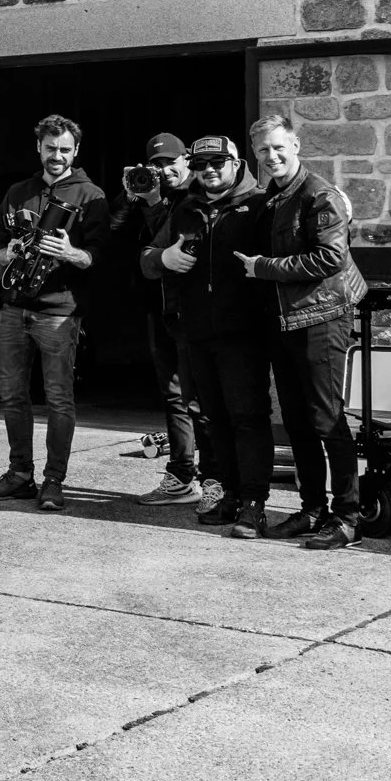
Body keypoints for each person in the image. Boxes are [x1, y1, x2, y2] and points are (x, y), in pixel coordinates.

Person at [238, 114, 370, 550]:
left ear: (295, 145)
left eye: (278, 147)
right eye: (262, 150)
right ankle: (313, 509)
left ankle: (348, 518)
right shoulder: (271, 199)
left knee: (327, 419)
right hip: (285, 323)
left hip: (321, 320)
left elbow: (328, 259)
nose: (271, 156)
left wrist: (263, 268)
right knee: (296, 422)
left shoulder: (319, 195)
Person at [144, 136, 273, 538]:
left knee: (248, 419)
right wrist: (162, 258)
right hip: (197, 332)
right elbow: (148, 257)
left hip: (244, 333)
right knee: (213, 418)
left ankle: (254, 504)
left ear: (237, 163)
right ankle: (229, 495)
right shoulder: (187, 207)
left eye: (219, 162)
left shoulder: (259, 206)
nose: (210, 170)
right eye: (201, 164)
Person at [0, 114, 109, 512]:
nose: (57, 155)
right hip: (12, 309)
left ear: (76, 151)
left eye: (65, 149)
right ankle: (20, 475)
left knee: (58, 399)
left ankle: (53, 481)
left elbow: (100, 258)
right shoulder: (18, 190)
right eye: (50, 148)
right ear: (39, 147)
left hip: (58, 312)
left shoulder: (92, 195)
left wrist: (69, 253)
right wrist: (8, 252)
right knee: (12, 396)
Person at [110, 133, 219, 509]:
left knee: (199, 400)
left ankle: (213, 480)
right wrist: (131, 196)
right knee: (174, 397)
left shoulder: (197, 194)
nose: (164, 171)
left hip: (192, 313)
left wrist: (154, 203)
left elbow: (162, 244)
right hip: (160, 310)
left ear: (187, 160)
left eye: (171, 162)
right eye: (155, 166)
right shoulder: (152, 194)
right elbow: (113, 234)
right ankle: (181, 475)